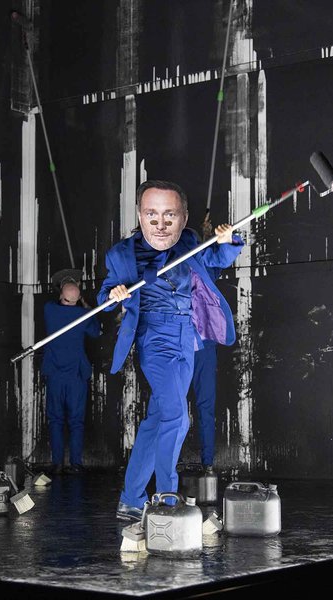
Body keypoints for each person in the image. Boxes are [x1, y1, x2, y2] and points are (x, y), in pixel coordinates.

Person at [97, 179, 244, 521]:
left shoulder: (189, 242)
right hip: (154, 338)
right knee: (177, 418)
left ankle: (131, 499)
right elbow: (105, 296)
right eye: (152, 215)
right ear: (140, 215)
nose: (160, 224)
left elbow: (215, 261)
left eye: (170, 215)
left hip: (186, 337)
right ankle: (166, 498)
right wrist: (114, 295)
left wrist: (227, 242)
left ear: (183, 217)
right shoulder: (121, 254)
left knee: (157, 420)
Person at [42, 270, 101, 475]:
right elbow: (95, 332)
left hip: (55, 374)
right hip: (76, 375)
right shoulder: (83, 315)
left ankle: (57, 464)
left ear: (61, 295)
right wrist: (87, 308)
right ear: (78, 298)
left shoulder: (49, 309)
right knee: (76, 422)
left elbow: (57, 299)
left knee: (56, 420)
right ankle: (76, 464)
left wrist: (65, 286)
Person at [189, 214, 222, 472]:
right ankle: (165, 467)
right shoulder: (173, 272)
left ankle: (207, 463)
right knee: (170, 410)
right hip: (178, 349)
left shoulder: (206, 271)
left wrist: (210, 237)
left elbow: (215, 261)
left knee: (205, 406)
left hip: (203, 348)